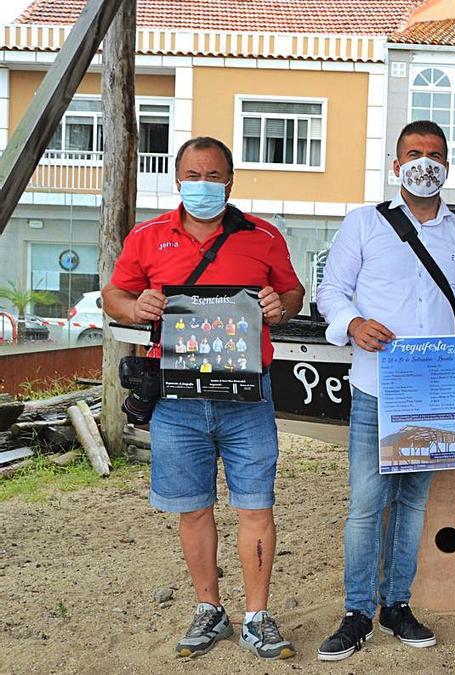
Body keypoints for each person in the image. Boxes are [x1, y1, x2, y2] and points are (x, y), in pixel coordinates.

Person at [101, 136, 304, 660]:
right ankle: (209, 609)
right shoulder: (147, 237)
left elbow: (293, 292)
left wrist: (279, 304)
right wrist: (135, 306)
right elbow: (114, 295)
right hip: (177, 400)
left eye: (214, 176)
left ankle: (258, 615)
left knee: (256, 506)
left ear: (230, 181)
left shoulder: (262, 235)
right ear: (177, 179)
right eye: (194, 175)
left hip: (247, 396)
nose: (203, 185)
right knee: (193, 510)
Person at [314, 120, 455, 662]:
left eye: (435, 155)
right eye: (414, 153)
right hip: (376, 386)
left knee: (413, 503)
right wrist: (352, 324)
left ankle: (397, 604)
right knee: (367, 505)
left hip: (437, 390)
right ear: (396, 165)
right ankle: (357, 612)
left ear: (447, 167)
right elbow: (331, 292)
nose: (425, 163)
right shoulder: (364, 224)